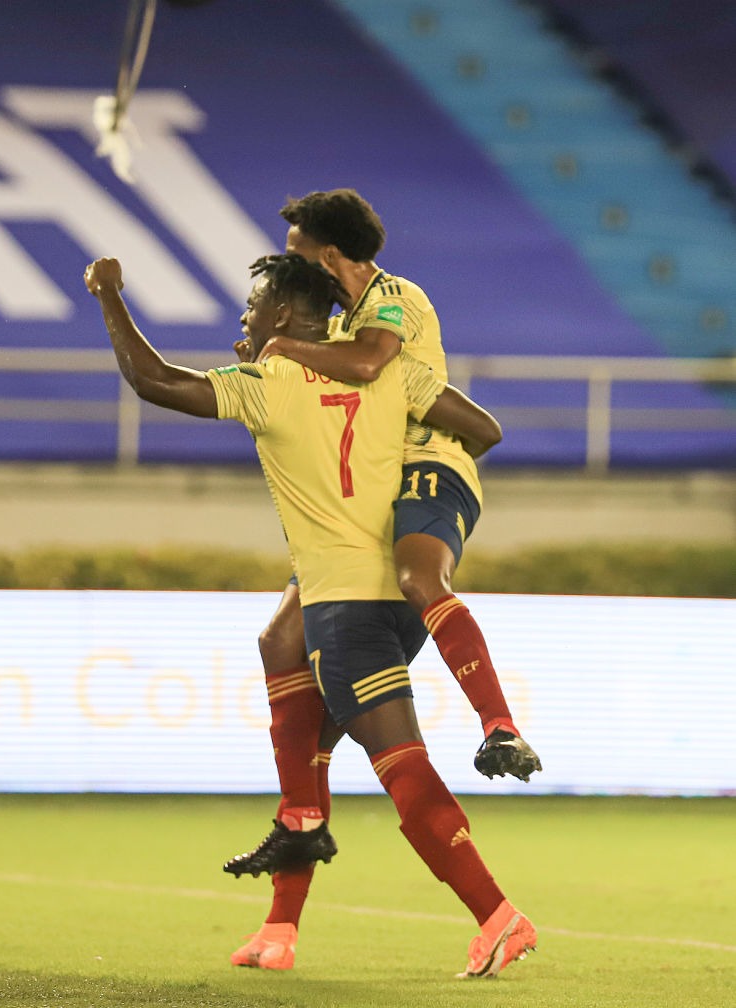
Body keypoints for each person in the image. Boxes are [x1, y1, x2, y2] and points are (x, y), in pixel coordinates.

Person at [84, 251, 536, 980]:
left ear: (287, 317)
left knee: (403, 768)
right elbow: (479, 427)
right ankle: (281, 923)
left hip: (343, 607)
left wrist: (109, 297)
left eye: (253, 307)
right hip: (393, 596)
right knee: (284, 671)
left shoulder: (274, 382)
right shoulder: (388, 370)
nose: (245, 318)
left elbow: (154, 381)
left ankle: (497, 916)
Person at [222, 189, 540, 888]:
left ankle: (499, 725)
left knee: (419, 579)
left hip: (426, 468)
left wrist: (278, 345)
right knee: (284, 648)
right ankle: (295, 840)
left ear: (329, 255)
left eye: (298, 253)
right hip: (375, 497)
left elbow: (375, 368)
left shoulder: (391, 301)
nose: (289, 265)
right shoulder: (334, 334)